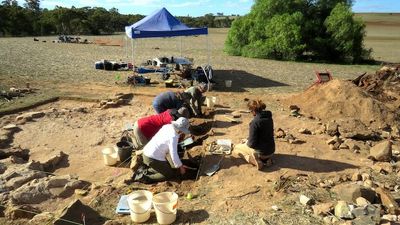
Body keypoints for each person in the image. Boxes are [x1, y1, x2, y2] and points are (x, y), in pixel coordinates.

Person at [136, 117, 191, 183]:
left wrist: (178, 165)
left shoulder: (167, 126)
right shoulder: (174, 137)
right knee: (168, 174)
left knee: (166, 168)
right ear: (180, 130)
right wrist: (181, 167)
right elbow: (173, 154)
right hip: (153, 158)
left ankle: (144, 171)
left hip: (146, 152)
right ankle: (146, 178)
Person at [234, 99, 275, 170]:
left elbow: (251, 144)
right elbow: (262, 134)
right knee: (248, 143)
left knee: (236, 148)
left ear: (253, 111)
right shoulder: (269, 117)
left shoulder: (255, 122)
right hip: (271, 150)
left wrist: (247, 142)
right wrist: (247, 139)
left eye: (250, 111)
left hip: (262, 153)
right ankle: (266, 160)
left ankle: (257, 162)